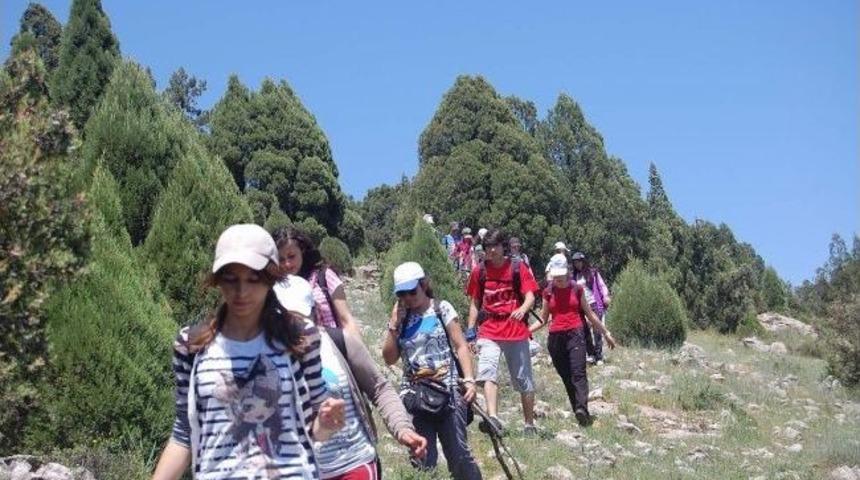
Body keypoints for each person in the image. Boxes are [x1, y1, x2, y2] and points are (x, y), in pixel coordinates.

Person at [151, 224, 346, 480]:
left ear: (271, 279)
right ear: (217, 280)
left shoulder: (300, 337)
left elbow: (313, 428)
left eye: (253, 279)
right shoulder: (191, 344)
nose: (241, 292)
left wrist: (328, 423)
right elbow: (184, 432)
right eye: (230, 279)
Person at [276, 275, 428, 479]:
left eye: (300, 319)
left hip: (353, 464)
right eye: (285, 320)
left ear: (314, 313)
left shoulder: (338, 342)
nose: (295, 328)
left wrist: (402, 429)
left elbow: (379, 388)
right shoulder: (263, 359)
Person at [382, 262, 482, 480]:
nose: (408, 298)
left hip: (448, 392)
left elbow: (461, 345)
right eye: (402, 294)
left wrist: (470, 380)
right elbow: (389, 358)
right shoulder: (401, 317)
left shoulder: (441, 308)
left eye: (412, 291)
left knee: (459, 454)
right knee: (422, 459)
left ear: (423, 284)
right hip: (415, 395)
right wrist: (393, 326)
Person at [465, 229, 540, 435]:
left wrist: (523, 309)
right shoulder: (479, 271)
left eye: (495, 246)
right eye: (487, 246)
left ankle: (529, 424)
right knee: (487, 371)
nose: (491, 250)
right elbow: (474, 303)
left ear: (503, 246)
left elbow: (531, 296)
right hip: (489, 329)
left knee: (523, 379)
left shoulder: (518, 267)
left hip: (515, 330)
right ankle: (493, 418)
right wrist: (471, 330)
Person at [530, 254, 616, 427]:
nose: (559, 279)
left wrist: (605, 332)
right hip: (555, 339)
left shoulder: (577, 289)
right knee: (566, 376)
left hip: (575, 334)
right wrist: (526, 331)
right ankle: (578, 409)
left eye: (562, 276)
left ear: (568, 272)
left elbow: (590, 314)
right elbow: (543, 318)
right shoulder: (548, 291)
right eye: (556, 277)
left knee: (578, 373)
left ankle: (582, 409)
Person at [273, 227, 361, 338]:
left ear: (302, 250)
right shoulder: (274, 286)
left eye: (291, 256)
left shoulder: (324, 276)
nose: (287, 264)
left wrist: (355, 350)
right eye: (281, 259)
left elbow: (346, 320)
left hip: (331, 348)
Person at [570, 252, 612, 365]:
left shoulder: (593, 273)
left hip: (594, 303)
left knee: (597, 330)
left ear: (583, 261)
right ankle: (591, 354)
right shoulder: (573, 276)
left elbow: (601, 285)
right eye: (575, 262)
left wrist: (606, 296)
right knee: (584, 330)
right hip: (581, 305)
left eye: (579, 261)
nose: (577, 264)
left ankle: (599, 356)